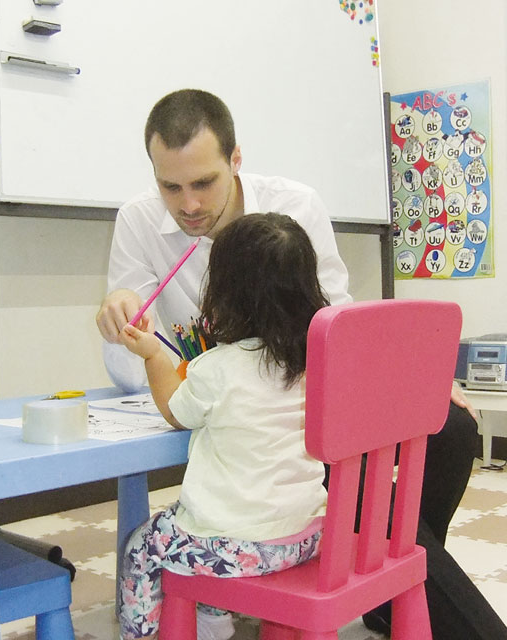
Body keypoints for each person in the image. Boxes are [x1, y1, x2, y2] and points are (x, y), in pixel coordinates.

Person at [97, 89, 506, 639]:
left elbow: (339, 324)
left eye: (204, 184)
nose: (188, 205)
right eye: (171, 187)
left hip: (311, 394)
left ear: (235, 160)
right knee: (361, 494)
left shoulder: (294, 205)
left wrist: (409, 386)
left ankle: (382, 587)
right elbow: (132, 363)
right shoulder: (139, 221)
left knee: (451, 429)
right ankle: (397, 585)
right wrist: (125, 325)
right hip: (235, 412)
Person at [118, 213, 329, 640]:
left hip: (240, 549)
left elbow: (176, 411)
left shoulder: (217, 368)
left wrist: (153, 356)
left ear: (226, 293)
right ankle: (212, 619)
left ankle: (141, 634)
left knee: (144, 545)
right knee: (207, 516)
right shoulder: (318, 362)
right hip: (308, 534)